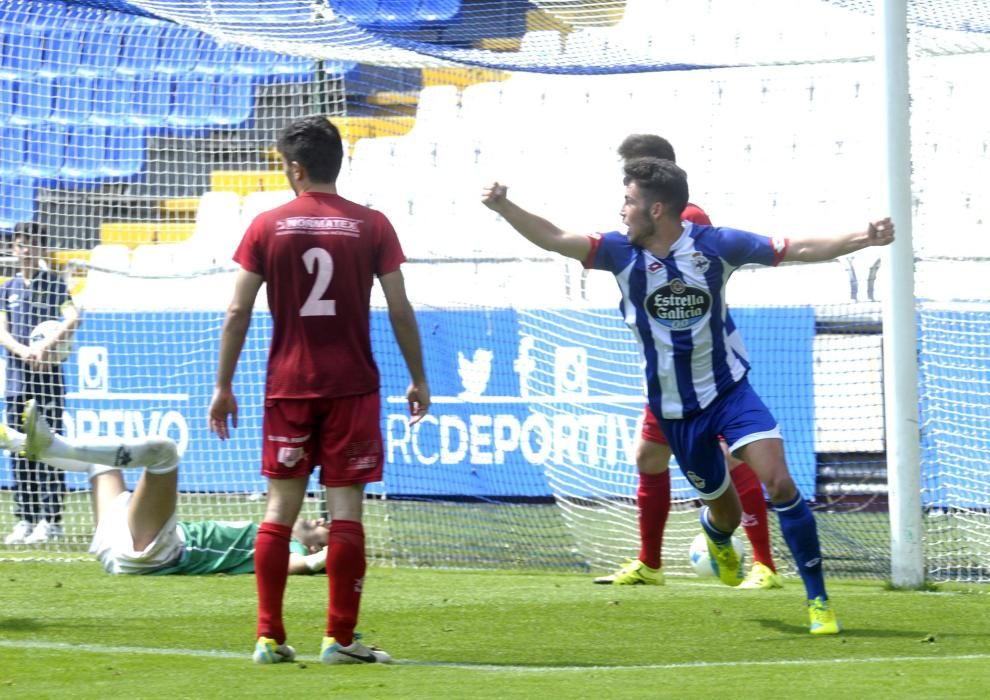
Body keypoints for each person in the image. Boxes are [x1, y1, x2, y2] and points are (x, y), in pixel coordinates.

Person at [481, 157, 895, 634]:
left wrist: (864, 238)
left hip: (730, 392)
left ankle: (818, 602)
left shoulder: (715, 246)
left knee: (779, 483)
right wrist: (505, 207)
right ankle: (717, 533)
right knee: (724, 511)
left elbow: (795, 247)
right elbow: (554, 237)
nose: (622, 211)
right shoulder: (619, 253)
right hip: (676, 413)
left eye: (629, 201)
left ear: (657, 209)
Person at [208, 116, 430, 665]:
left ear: (297, 168)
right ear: (339, 164)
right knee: (347, 510)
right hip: (352, 385)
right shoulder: (373, 225)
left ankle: (268, 637)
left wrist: (223, 384)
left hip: (288, 385)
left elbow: (237, 310)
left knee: (279, 509)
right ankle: (340, 639)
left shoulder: (266, 225)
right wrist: (419, 376)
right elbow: (400, 307)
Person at [594, 135, 781, 590]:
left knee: (731, 454)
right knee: (649, 456)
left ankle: (764, 565)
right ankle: (651, 564)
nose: (625, 186)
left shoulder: (688, 221)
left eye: (631, 173)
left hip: (704, 369)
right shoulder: (646, 224)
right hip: (669, 370)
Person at [2, 399, 329, 576]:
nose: (320, 521)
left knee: (164, 452)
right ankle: (17, 442)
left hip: (156, 551)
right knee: (101, 461)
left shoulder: (291, 552)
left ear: (314, 547)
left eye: (326, 530)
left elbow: (307, 566)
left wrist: (336, 553)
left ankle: (52, 446)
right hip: (124, 541)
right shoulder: (274, 534)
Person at [0, 222, 81, 546]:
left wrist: (46, 347)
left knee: (49, 447)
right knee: (19, 449)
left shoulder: (55, 284)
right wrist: (23, 350)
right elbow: (2, 331)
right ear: (15, 248)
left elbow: (74, 317)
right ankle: (26, 519)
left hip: (48, 377)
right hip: (18, 379)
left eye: (32, 243)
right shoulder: (7, 288)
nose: (26, 248)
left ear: (42, 248)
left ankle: (51, 519)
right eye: (21, 243)